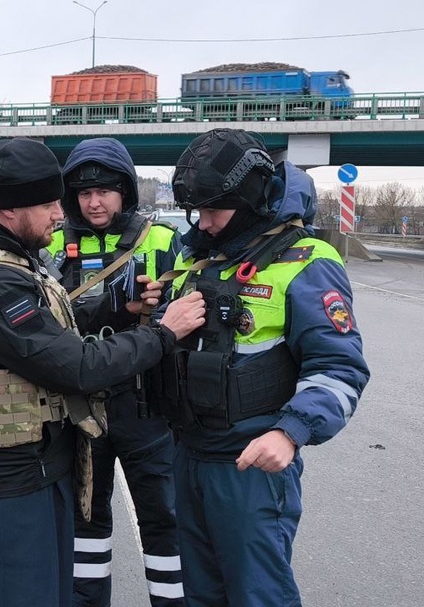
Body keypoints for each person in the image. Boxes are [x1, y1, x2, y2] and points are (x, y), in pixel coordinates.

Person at [0, 137, 206, 607]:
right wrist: (163, 333)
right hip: (12, 482)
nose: (64, 212)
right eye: (51, 202)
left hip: (39, 466)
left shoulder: (15, 265)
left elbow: (55, 332)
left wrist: (119, 306)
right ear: (12, 210)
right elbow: (75, 365)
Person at [153, 128, 370, 606]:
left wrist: (290, 432)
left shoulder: (306, 261)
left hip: (250, 465)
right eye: (198, 212)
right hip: (189, 456)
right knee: (200, 594)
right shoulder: (196, 259)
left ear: (250, 201)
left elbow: (339, 367)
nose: (204, 223)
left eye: (213, 211)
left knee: (258, 595)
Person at [45, 138, 184, 607]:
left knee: (164, 519)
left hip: (149, 410)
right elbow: (51, 325)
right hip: (85, 413)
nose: (94, 201)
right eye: (84, 193)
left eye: (105, 190)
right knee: (86, 520)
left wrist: (159, 305)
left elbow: (190, 314)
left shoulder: (162, 240)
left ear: (125, 191)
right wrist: (119, 307)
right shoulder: (56, 246)